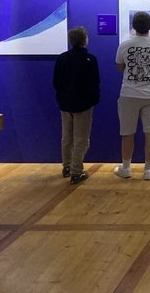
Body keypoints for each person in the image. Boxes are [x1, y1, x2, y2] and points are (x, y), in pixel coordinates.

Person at [113, 11, 150, 181]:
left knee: (127, 132)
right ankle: (148, 170)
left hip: (129, 92)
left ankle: (126, 168)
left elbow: (120, 66)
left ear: (133, 26)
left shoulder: (125, 45)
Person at [53, 26, 100, 185]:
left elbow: (56, 82)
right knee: (81, 139)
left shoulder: (62, 58)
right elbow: (95, 83)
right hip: (84, 105)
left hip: (65, 104)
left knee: (67, 137)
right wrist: (93, 100)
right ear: (84, 39)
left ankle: (66, 167)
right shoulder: (90, 59)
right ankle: (76, 171)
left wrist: (62, 98)